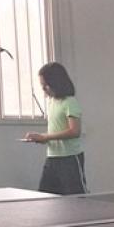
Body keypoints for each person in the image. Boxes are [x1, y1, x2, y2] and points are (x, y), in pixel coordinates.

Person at [23, 62, 86, 195]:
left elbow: (75, 131)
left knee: (76, 199)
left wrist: (45, 137)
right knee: (44, 197)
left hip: (70, 159)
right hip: (52, 158)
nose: (43, 89)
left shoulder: (70, 102)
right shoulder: (51, 102)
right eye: (42, 85)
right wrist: (41, 138)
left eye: (46, 85)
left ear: (56, 82)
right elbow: (56, 131)